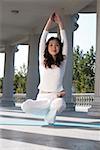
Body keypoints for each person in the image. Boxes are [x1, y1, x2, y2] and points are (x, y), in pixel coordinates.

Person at [21, 12, 68, 124]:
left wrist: (60, 23)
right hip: (42, 96)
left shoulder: (62, 62)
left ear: (60, 48)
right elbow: (42, 40)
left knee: (60, 104)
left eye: (56, 45)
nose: (54, 47)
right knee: (26, 106)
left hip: (55, 97)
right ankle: (43, 109)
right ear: (47, 48)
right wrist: (49, 22)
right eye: (51, 45)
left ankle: (50, 115)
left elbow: (65, 42)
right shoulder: (43, 61)